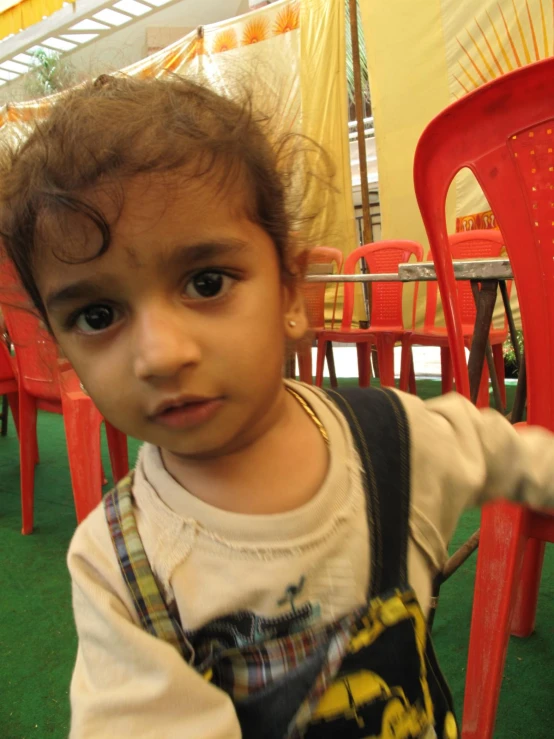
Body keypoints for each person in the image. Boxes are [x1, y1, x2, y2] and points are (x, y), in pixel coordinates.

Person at [0, 74, 553, 739]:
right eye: (97, 314)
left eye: (206, 282)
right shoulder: (121, 565)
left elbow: (509, 453)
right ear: (59, 343)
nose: (160, 354)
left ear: (292, 291)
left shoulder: (397, 439)